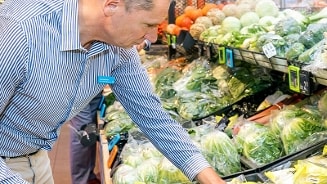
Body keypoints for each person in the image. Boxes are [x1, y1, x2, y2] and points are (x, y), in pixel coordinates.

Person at [0, 0, 226, 183]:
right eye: (148, 25)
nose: (152, 38)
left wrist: (207, 176)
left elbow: (153, 118)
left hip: (37, 159)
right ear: (111, 6)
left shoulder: (118, 47)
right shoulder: (19, 32)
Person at [69, 41, 150, 184]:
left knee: (90, 131)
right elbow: (94, 77)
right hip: (79, 87)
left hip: (94, 86)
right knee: (85, 132)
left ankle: (88, 176)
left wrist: (144, 42)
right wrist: (114, 78)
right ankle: (82, 179)